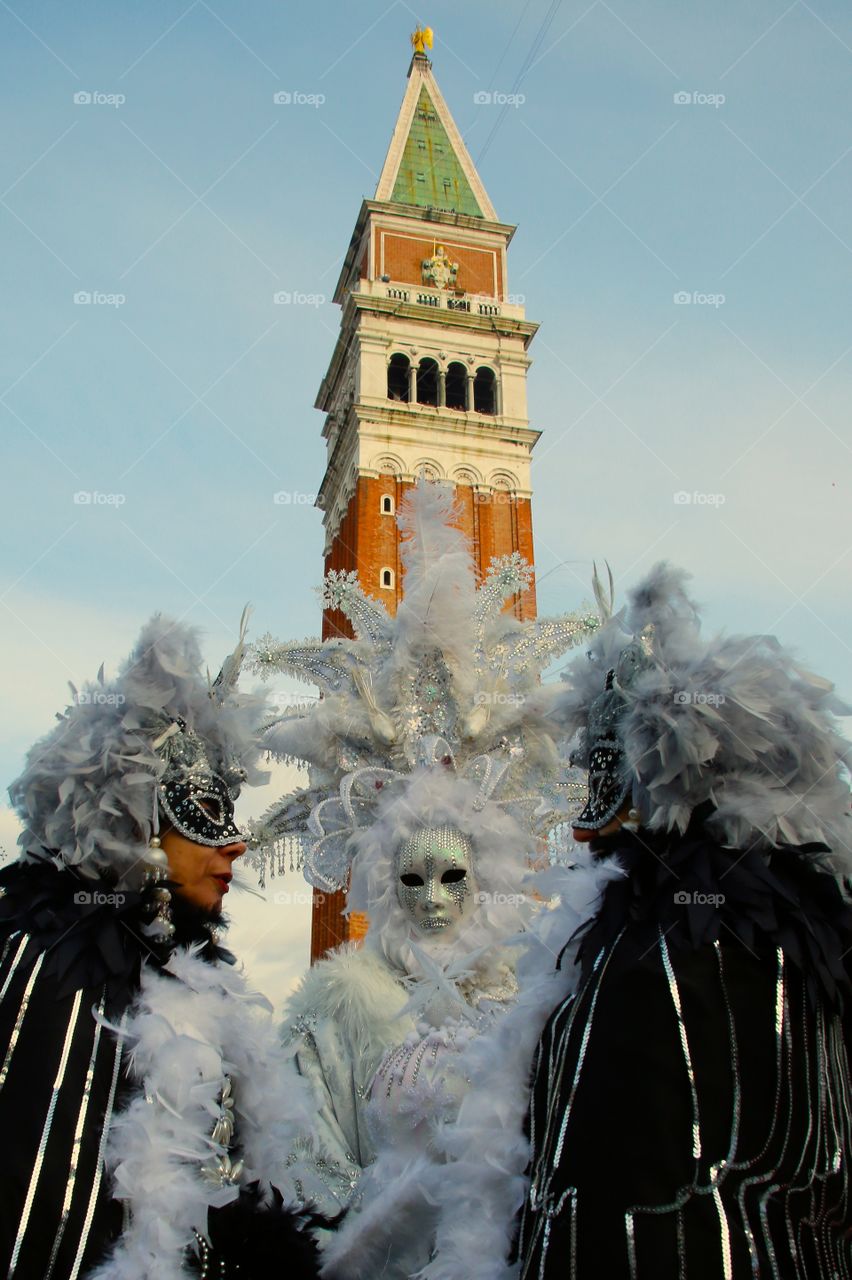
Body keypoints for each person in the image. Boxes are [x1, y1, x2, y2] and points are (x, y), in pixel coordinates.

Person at [437, 562, 852, 1280]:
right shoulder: (811, 949)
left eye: (599, 790)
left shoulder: (648, 963)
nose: (578, 834)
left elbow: (597, 1216)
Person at [245, 479, 600, 1277]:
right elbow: (308, 1168)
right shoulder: (340, 1007)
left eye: (452, 878)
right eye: (413, 880)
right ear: (383, 879)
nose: (435, 899)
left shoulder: (535, 992)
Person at [1, 614, 322, 1279]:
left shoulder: (193, 983)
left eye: (232, 818)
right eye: (205, 814)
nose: (236, 843)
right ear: (136, 818)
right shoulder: (56, 967)